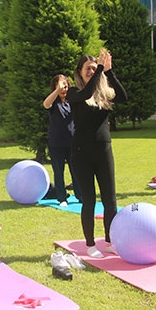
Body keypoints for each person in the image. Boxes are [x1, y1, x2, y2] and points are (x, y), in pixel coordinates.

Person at [67, 49, 127, 258]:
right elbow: (86, 94)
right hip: (82, 154)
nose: (92, 71)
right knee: (90, 201)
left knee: (110, 200)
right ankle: (90, 244)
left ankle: (110, 241)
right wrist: (100, 69)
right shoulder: (74, 93)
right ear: (80, 72)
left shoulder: (103, 93)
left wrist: (108, 72)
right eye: (88, 69)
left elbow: (123, 97)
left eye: (94, 68)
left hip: (104, 152)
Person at [43, 74, 82, 207]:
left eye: (65, 85)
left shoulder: (72, 101)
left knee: (76, 170)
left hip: (72, 142)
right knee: (58, 171)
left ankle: (80, 195)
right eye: (60, 86)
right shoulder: (53, 103)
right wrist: (57, 91)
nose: (63, 89)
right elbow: (45, 104)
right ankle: (62, 198)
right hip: (56, 144)